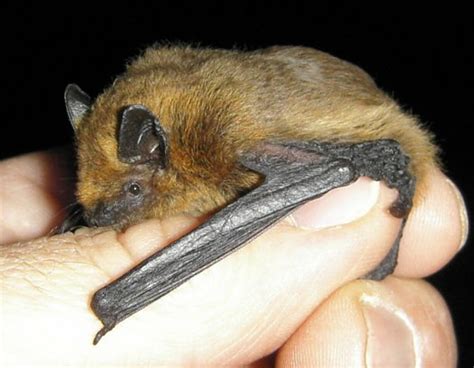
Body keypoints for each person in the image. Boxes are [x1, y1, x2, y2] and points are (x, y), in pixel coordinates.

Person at [0, 148, 467, 367]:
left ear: (159, 158)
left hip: (341, 159)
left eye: (133, 188)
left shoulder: (225, 154)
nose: (107, 211)